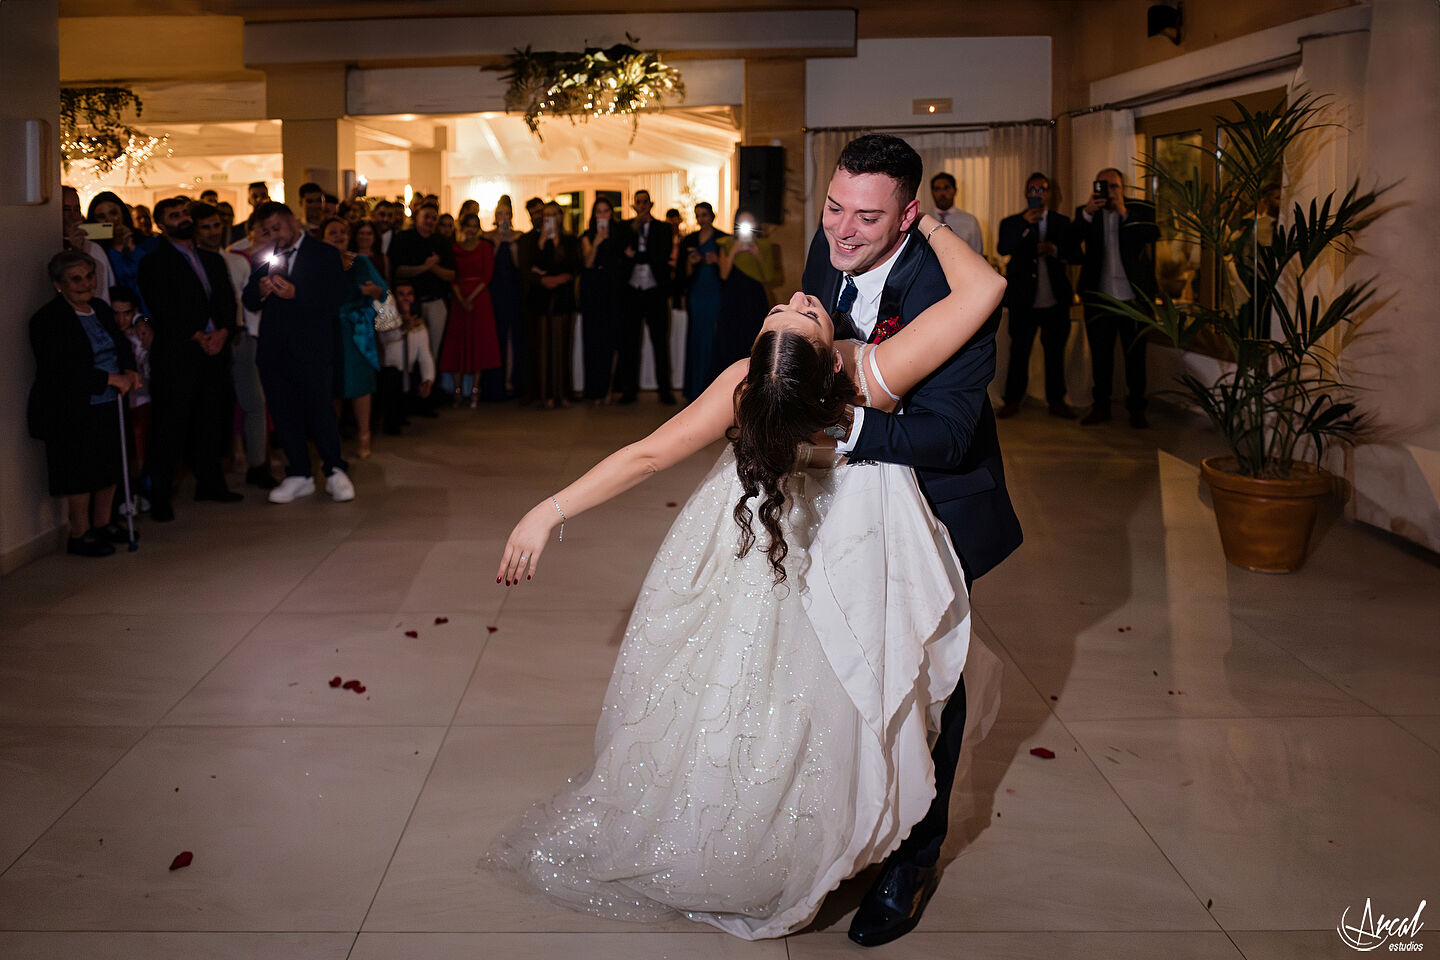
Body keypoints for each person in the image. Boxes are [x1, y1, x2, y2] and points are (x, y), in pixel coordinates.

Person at [491, 193, 1008, 939]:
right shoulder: (867, 375)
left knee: (740, 698)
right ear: (820, 359)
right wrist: (922, 219)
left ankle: (758, 830)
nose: (799, 296)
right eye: (796, 313)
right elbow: (984, 291)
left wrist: (551, 509)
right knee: (816, 703)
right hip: (833, 558)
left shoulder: (745, 385)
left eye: (789, 312)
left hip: (750, 551)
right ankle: (818, 835)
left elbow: (648, 454)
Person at [801, 134, 1022, 946]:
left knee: (930, 682)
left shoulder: (947, 290)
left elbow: (953, 434)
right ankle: (861, 826)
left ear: (906, 219)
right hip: (849, 504)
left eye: (866, 217)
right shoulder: (827, 255)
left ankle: (916, 857)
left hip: (938, 507)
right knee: (844, 663)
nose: (841, 231)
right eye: (833, 207)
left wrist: (842, 419)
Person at [28, 251, 143, 557]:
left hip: (109, 402)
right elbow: (61, 368)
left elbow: (120, 345)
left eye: (89, 276)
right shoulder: (47, 320)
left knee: (109, 465)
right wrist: (109, 380)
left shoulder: (101, 309)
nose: (85, 284)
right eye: (75, 279)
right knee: (79, 470)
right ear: (59, 284)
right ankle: (79, 532)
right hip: (71, 406)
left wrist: (129, 370)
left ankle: (103, 523)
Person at [241, 202, 354, 504]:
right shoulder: (267, 256)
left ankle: (334, 470)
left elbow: (337, 296)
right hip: (274, 348)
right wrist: (262, 289)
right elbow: (249, 299)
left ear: (292, 221)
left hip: (312, 347)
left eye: (277, 228)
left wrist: (297, 294)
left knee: (320, 409)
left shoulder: (323, 253)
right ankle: (299, 473)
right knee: (283, 411)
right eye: (266, 231)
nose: (274, 235)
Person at [136, 197, 242, 521]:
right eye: (174, 215)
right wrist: (197, 335)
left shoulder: (211, 259)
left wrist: (222, 331)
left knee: (211, 419)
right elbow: (163, 307)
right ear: (161, 225)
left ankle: (210, 482)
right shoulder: (154, 262)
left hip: (214, 351)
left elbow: (225, 299)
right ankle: (160, 495)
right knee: (170, 425)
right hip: (178, 354)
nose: (183, 218)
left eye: (184, 213)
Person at [192, 202, 276, 489]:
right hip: (204, 340)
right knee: (213, 406)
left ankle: (258, 465)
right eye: (207, 227)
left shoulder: (235, 261)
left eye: (217, 225)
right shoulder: (192, 263)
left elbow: (245, 303)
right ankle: (214, 470)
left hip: (240, 336)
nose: (214, 231)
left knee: (254, 401)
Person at [1069, 167, 1159, 428]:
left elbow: (1152, 235)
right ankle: (1101, 406)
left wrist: (1123, 211)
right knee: (1100, 355)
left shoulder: (1140, 209)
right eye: (1104, 186)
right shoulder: (1086, 212)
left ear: (1123, 187)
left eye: (1115, 186)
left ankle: (1137, 409)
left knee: (1135, 357)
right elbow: (1070, 243)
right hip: (1100, 297)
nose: (1109, 191)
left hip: (1134, 298)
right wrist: (1087, 213)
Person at [996, 172, 1076, 419]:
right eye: (1032, 189)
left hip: (1055, 300)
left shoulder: (1062, 222)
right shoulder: (1012, 222)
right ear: (1025, 194)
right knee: (1019, 351)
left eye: (1042, 189)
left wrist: (1054, 249)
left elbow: (1074, 254)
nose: (1037, 193)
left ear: (1049, 194)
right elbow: (1003, 248)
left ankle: (1057, 401)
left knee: (1055, 353)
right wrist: (1024, 225)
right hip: (1023, 300)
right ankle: (1012, 400)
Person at [320, 217, 383, 458]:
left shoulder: (361, 261)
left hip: (358, 331)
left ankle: (364, 436)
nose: (338, 236)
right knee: (332, 385)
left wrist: (374, 291)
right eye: (332, 232)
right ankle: (331, 438)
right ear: (323, 238)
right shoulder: (320, 264)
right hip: (329, 329)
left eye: (342, 231)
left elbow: (381, 290)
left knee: (361, 385)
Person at [389, 201, 457, 400]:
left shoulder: (441, 242)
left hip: (435, 302)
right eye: (426, 217)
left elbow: (451, 275)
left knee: (432, 352)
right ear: (416, 217)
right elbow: (398, 270)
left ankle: (428, 396)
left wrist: (432, 268)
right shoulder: (404, 238)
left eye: (434, 218)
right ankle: (407, 398)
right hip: (409, 304)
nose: (430, 221)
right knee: (406, 352)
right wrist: (425, 266)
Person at [617, 189, 676, 404]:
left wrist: (638, 255)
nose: (641, 206)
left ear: (651, 204)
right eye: (638, 203)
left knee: (660, 342)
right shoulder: (625, 227)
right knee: (630, 342)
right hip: (632, 291)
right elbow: (619, 253)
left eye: (644, 202)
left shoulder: (662, 228)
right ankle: (628, 390)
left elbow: (661, 255)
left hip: (654, 291)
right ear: (634, 206)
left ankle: (664, 390)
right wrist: (633, 231)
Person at [518, 200, 578, 409]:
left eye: (555, 214)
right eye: (547, 214)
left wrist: (554, 277)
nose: (550, 218)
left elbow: (572, 267)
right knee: (540, 347)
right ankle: (542, 393)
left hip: (562, 300)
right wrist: (543, 245)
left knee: (561, 347)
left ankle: (562, 393)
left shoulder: (570, 240)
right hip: (538, 302)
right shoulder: (531, 240)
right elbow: (528, 270)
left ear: (561, 217)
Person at [437, 212, 501, 407]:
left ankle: (474, 390)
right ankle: (457, 391)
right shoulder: (454, 249)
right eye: (468, 226)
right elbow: (453, 277)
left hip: (479, 299)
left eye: (475, 226)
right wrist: (461, 298)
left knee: (478, 344)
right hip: (459, 299)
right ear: (462, 227)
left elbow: (487, 276)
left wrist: (470, 298)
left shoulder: (485, 248)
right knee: (457, 343)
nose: (471, 230)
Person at [712, 209, 779, 372]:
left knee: (754, 338)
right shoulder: (726, 243)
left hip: (755, 298)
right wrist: (734, 252)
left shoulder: (764, 245)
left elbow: (769, 276)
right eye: (741, 223)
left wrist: (757, 254)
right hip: (732, 297)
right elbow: (723, 274)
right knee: (729, 339)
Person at [578, 197, 631, 404]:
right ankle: (594, 390)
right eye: (598, 212)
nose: (602, 215)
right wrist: (597, 241)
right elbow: (588, 263)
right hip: (594, 294)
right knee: (594, 342)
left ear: (612, 213)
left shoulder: (620, 233)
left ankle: (610, 388)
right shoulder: (587, 236)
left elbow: (628, 259)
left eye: (606, 211)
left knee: (614, 341)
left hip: (615, 293)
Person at [677, 201, 727, 400]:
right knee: (696, 339)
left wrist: (716, 261)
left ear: (712, 216)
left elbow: (728, 272)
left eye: (704, 214)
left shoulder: (723, 238)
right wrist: (691, 263)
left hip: (716, 292)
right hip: (697, 293)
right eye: (698, 215)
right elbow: (683, 272)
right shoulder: (689, 239)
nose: (701, 219)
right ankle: (695, 389)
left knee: (714, 338)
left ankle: (714, 389)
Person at [376, 279, 435, 434]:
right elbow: (385, 339)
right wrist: (402, 327)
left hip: (406, 373)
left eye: (409, 294)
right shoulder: (385, 315)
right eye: (401, 294)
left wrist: (428, 379)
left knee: (416, 377)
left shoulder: (419, 324)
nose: (406, 298)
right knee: (392, 377)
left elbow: (425, 355)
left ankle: (405, 412)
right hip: (386, 372)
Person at [481, 196, 525, 401]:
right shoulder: (488, 237)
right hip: (494, 292)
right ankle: (495, 385)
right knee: (495, 337)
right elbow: (486, 266)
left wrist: (512, 245)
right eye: (500, 214)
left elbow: (520, 267)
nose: (503, 217)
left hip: (513, 292)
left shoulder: (518, 237)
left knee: (515, 337)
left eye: (507, 214)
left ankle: (514, 382)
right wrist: (498, 242)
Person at [85, 191, 149, 308]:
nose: (110, 220)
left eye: (113, 213)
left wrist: (132, 248)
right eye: (101, 217)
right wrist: (116, 250)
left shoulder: (143, 241)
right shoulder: (92, 250)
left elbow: (147, 273)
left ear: (122, 213)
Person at [61, 186, 114, 306]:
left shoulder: (94, 249)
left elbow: (104, 294)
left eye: (77, 209)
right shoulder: (43, 246)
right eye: (66, 209)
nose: (73, 216)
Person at [929, 172, 983, 255]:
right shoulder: (923, 219)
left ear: (955, 191)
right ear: (932, 192)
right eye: (937, 189)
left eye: (946, 188)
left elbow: (977, 254)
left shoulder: (970, 221)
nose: (942, 193)